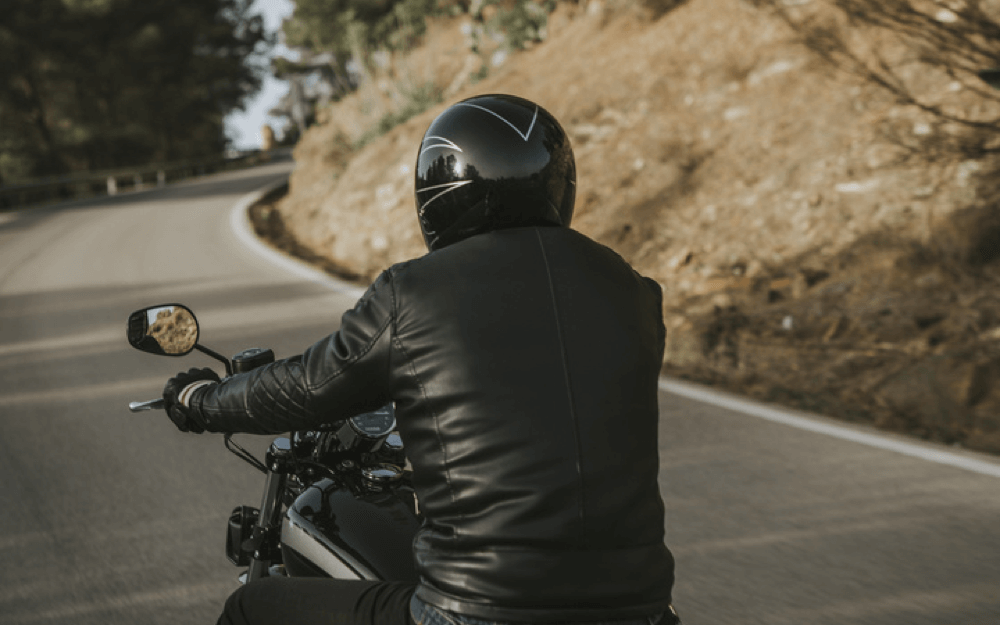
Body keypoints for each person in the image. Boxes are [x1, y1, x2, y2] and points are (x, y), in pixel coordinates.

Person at [163, 94, 680, 625]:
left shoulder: (412, 293)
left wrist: (200, 400)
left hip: (480, 612)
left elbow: (306, 388)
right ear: (558, 181)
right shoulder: (634, 292)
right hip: (643, 611)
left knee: (251, 608)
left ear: (438, 193)